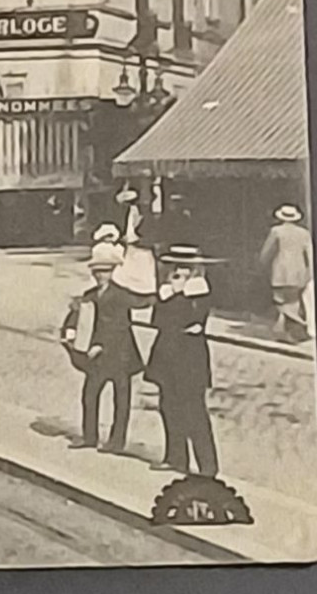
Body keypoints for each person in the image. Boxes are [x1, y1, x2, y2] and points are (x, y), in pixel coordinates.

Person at [60, 241, 145, 452]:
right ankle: (90, 437)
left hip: (119, 355)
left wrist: (101, 345)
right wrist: (70, 336)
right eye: (97, 272)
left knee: (121, 398)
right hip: (96, 356)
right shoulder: (88, 296)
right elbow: (78, 320)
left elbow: (120, 327)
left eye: (105, 271)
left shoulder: (121, 295)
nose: (100, 276)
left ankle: (116, 442)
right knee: (90, 395)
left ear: (113, 271)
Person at [144, 246, 220, 477]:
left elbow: (192, 322)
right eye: (176, 267)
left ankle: (207, 465)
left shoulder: (200, 293)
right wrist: (170, 293)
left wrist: (179, 295)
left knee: (194, 410)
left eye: (185, 268)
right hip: (167, 354)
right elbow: (156, 320)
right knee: (168, 406)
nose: (179, 272)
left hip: (189, 358)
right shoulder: (167, 292)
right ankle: (176, 457)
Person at [261, 204, 313, 343]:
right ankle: (289, 332)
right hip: (299, 273)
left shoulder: (276, 231)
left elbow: (267, 253)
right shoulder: (304, 233)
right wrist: (308, 273)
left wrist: (263, 265)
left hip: (280, 272)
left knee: (281, 302)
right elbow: (309, 255)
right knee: (294, 302)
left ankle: (298, 328)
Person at [110, 185, 158, 299]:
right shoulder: (125, 213)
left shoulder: (146, 215)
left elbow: (150, 235)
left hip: (141, 250)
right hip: (131, 249)